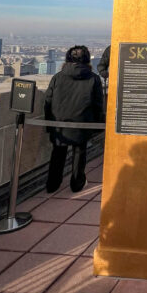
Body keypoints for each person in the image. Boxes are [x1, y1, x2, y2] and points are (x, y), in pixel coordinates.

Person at [45, 45, 104, 193]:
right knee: (80, 152)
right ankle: (77, 183)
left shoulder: (57, 77)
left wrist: (48, 123)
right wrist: (98, 124)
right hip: (82, 122)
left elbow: (48, 101)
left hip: (59, 123)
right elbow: (98, 104)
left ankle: (53, 184)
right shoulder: (94, 79)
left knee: (58, 153)